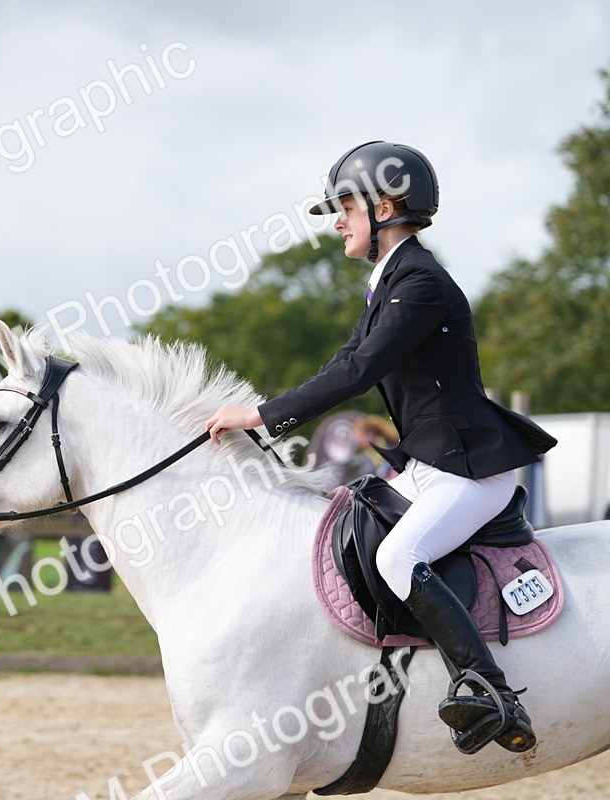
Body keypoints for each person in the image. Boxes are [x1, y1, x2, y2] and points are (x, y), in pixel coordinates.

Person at [204, 141, 557, 755]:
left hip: (467, 467)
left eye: (345, 206)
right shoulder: (390, 280)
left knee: (399, 557)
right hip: (428, 463)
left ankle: (489, 689)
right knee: (346, 524)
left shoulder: (419, 281)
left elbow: (360, 371)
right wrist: (268, 418)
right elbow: (348, 360)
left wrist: (261, 415)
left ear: (386, 206)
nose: (336, 221)